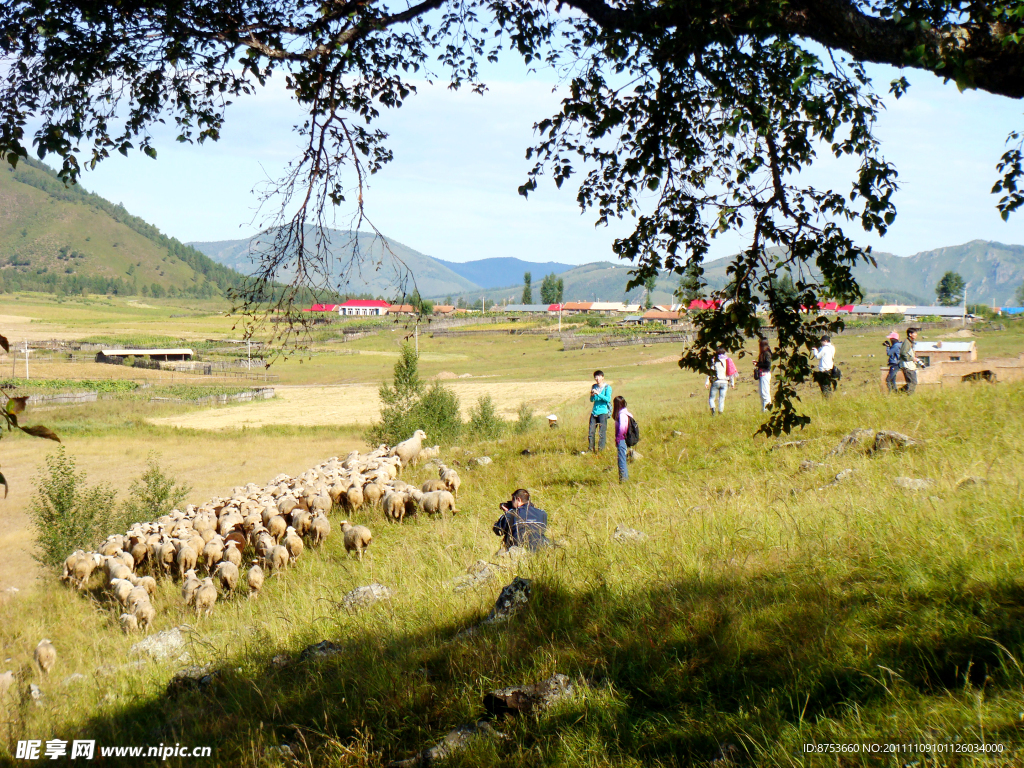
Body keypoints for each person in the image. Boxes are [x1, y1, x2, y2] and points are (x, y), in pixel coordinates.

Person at [704, 347, 735, 415]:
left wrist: (707, 382)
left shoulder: (714, 360)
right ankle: (720, 412)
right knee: (722, 398)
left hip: (715, 381)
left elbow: (710, 372)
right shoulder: (728, 360)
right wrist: (732, 383)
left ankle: (713, 409)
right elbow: (730, 372)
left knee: (711, 398)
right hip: (725, 382)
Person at [586, 370, 611, 453]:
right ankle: (590, 449)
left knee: (601, 433)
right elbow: (591, 400)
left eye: (599, 376)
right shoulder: (594, 386)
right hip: (594, 412)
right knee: (591, 432)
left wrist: (598, 394)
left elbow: (607, 399)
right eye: (596, 377)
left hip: (603, 412)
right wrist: (592, 395)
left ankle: (601, 451)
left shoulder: (607, 387)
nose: (597, 378)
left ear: (603, 377)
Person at [611, 395, 633, 482]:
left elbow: (622, 428)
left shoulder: (622, 415)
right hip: (624, 439)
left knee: (621, 460)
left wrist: (618, 439)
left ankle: (623, 479)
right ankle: (624, 478)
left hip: (622, 439)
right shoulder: (627, 413)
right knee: (623, 458)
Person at [898, 327, 920, 394]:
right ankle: (907, 395)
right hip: (907, 366)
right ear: (910, 334)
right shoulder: (907, 342)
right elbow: (903, 353)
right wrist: (912, 358)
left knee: (911, 382)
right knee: (913, 382)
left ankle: (899, 392)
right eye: (915, 333)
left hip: (910, 365)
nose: (916, 335)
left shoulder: (910, 342)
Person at [755, 338, 772, 411]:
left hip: (765, 374)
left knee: (765, 393)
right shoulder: (763, 353)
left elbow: (767, 364)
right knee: (762, 393)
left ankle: (767, 410)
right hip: (762, 375)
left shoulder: (766, 353)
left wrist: (757, 364)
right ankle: (764, 409)